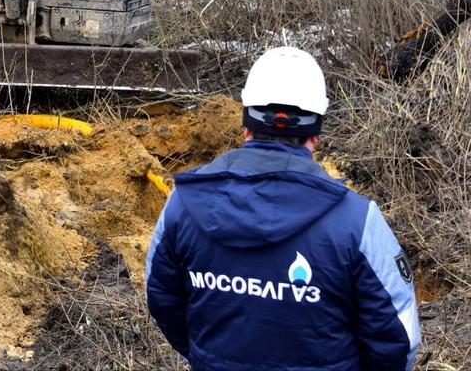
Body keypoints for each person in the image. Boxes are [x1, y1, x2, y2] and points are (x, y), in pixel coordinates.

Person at [145, 46, 421, 371]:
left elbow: (161, 298)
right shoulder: (358, 221)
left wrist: (205, 356)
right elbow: (397, 338)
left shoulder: (183, 204)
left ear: (246, 126)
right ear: (315, 134)